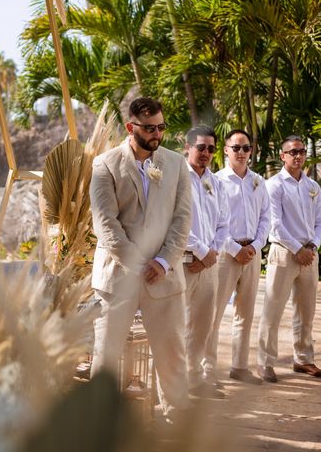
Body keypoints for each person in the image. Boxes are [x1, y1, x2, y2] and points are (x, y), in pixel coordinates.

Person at [89, 97, 192, 417]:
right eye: (149, 128)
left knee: (173, 355)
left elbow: (183, 218)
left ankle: (177, 421)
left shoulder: (176, 164)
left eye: (161, 127)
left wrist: (163, 261)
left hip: (164, 275)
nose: (157, 134)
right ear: (130, 127)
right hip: (118, 276)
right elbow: (105, 223)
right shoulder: (104, 164)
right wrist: (136, 263)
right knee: (106, 354)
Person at [257, 135, 321, 382]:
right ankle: (265, 362)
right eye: (292, 152)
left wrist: (313, 246)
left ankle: (304, 359)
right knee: (273, 309)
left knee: (306, 311)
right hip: (284, 253)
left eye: (301, 152)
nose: (297, 156)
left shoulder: (313, 187)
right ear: (282, 156)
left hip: (309, 254)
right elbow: (274, 224)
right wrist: (297, 248)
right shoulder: (274, 185)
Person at [203, 130, 269, 386]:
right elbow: (214, 222)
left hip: (252, 253)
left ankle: (240, 366)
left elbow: (266, 217)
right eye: (236, 148)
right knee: (213, 314)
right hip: (225, 255)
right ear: (226, 150)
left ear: (251, 151)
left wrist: (255, 246)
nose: (241, 153)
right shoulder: (217, 181)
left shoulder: (258, 181)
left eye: (245, 148)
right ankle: (207, 370)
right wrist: (234, 249)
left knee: (246, 313)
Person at [182, 125, 230, 398]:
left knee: (203, 325)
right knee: (176, 324)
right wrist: (201, 252)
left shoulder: (217, 183)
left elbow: (224, 224)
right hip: (183, 262)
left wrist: (211, 253)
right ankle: (173, 382)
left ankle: (195, 378)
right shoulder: (176, 178)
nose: (206, 153)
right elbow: (174, 223)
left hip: (209, 264)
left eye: (211, 149)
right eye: (201, 147)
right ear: (187, 147)